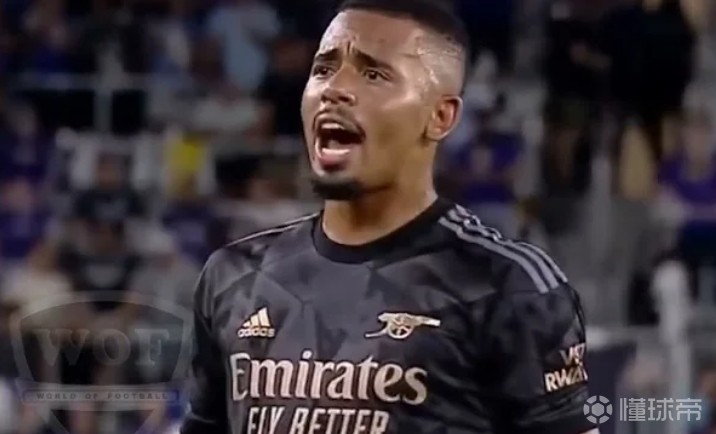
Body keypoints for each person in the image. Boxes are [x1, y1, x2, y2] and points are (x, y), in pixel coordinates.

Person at [180, 1, 597, 434]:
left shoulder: (507, 286)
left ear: (440, 116)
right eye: (323, 69)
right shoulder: (234, 277)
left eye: (374, 74)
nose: (335, 89)